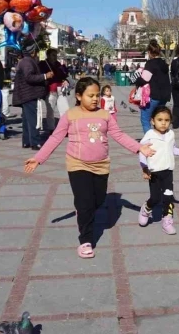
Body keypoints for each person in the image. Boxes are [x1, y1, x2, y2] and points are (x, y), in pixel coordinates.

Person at [24, 77, 155, 259]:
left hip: (101, 165)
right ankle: (85, 240)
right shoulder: (70, 115)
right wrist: (38, 158)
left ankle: (82, 208)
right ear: (78, 96)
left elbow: (119, 135)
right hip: (77, 164)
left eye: (97, 95)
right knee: (85, 203)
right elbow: (55, 138)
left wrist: (139, 147)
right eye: (90, 95)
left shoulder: (104, 115)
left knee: (98, 200)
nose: (95, 99)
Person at [137, 106, 179, 235]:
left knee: (168, 197)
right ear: (153, 121)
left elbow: (172, 149)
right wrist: (144, 168)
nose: (163, 123)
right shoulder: (150, 135)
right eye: (160, 120)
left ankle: (167, 220)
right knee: (155, 198)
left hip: (168, 171)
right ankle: (146, 209)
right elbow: (142, 153)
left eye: (166, 120)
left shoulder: (171, 134)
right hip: (153, 172)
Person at [13, 43, 53, 150]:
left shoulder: (26, 61)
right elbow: (29, 77)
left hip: (26, 94)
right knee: (32, 120)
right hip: (29, 94)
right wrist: (45, 76)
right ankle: (35, 143)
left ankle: (26, 141)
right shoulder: (27, 62)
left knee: (27, 120)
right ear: (33, 52)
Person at [135, 40, 171, 134]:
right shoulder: (164, 64)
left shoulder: (150, 64)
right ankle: (162, 137)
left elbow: (144, 79)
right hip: (165, 95)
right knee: (159, 118)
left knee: (145, 119)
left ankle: (151, 140)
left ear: (150, 52)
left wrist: (136, 79)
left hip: (153, 95)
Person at [40, 49, 68, 130]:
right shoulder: (43, 64)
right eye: (53, 55)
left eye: (56, 55)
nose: (55, 57)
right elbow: (40, 75)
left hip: (60, 90)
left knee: (65, 109)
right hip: (50, 91)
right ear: (48, 55)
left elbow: (64, 75)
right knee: (50, 111)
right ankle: (51, 128)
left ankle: (64, 128)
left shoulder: (58, 64)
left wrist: (65, 79)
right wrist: (46, 76)